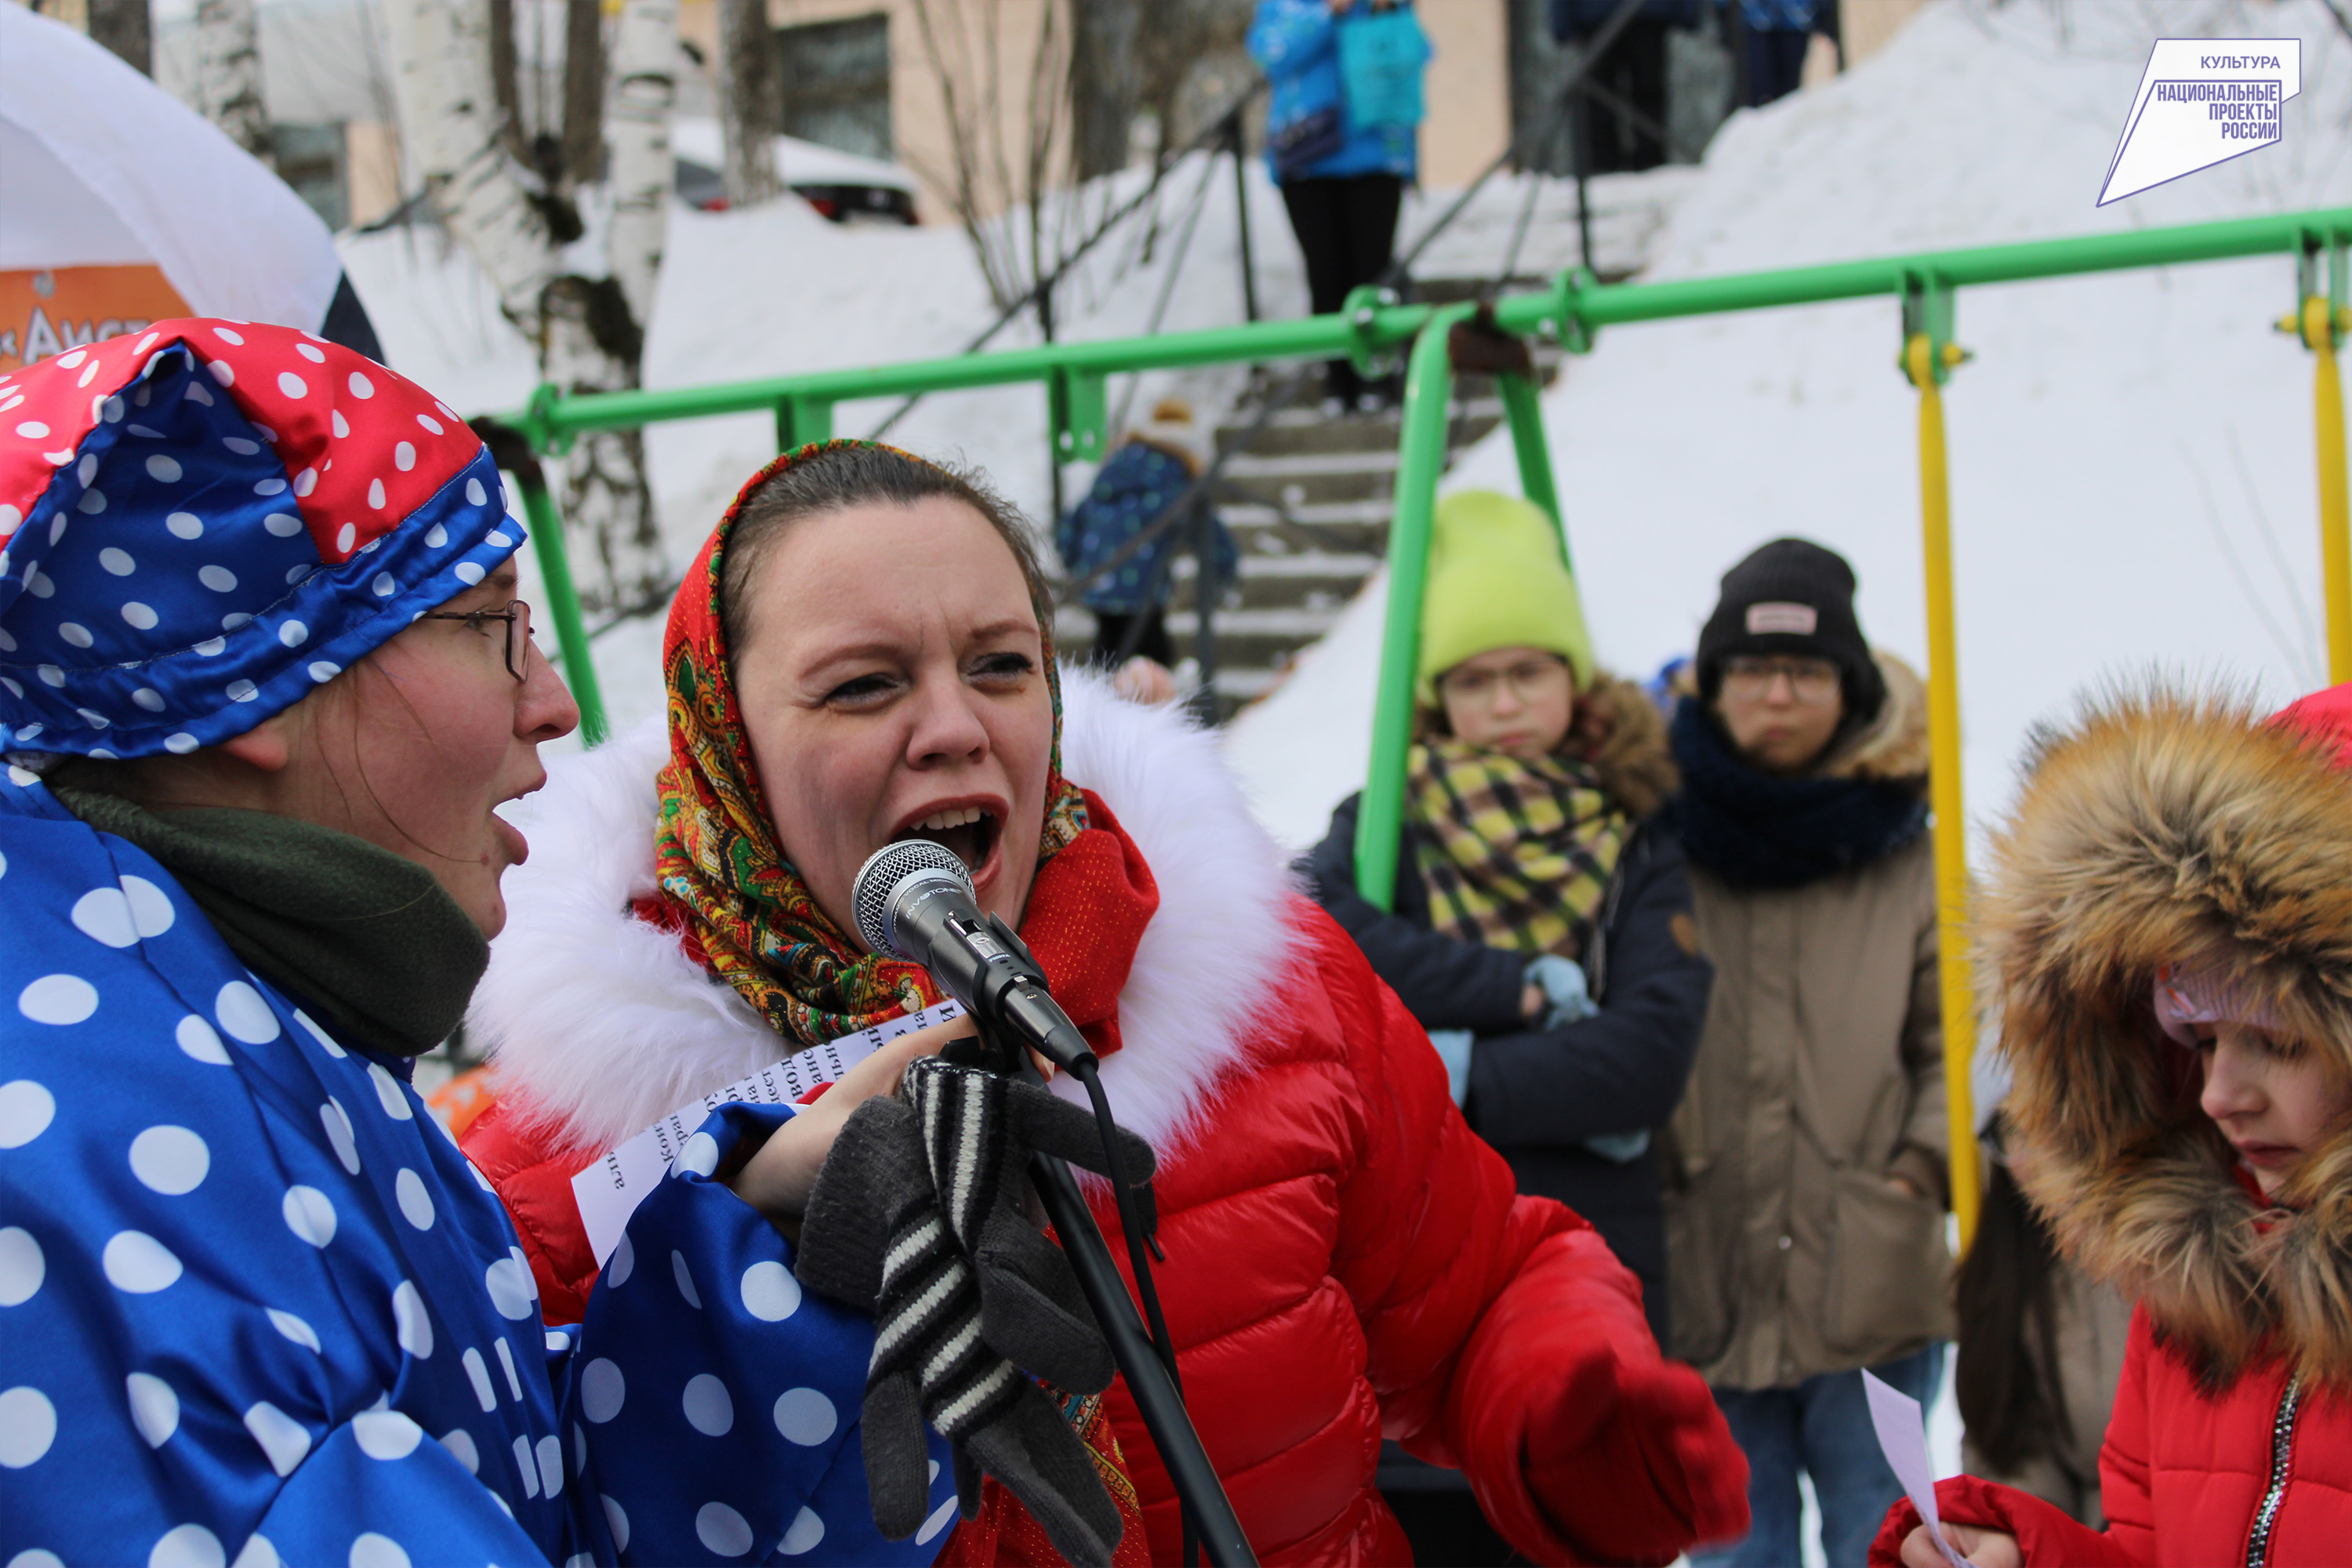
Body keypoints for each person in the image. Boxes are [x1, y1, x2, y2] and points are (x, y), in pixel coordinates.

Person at [462, 439, 1753, 1566]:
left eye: (1001, 666)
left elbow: (1477, 1286)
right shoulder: (576, 1146)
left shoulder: (1270, 990)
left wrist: (1568, 1401)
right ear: (723, 740)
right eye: (863, 684)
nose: (955, 727)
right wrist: (746, 1242)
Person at [0, 323, 963, 1564]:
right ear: (256, 683)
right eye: (487, 625)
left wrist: (774, 1257)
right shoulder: (113, 1169)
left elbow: (498, 1483)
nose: (553, 700)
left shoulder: (221, 1025)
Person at [1301, 489, 1713, 1565]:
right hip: (1420, 1246)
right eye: (1474, 681)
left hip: (1592, 1246)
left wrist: (1447, 1067)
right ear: (1437, 699)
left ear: (1574, 682)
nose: (1504, 704)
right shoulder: (1384, 825)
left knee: (1579, 1523)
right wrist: (1518, 993)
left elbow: (1642, 1061)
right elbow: (1329, 939)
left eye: (1528, 671)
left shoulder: (1637, 835)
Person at [1875, 683, 2352, 1568]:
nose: (2220, 1093)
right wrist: (2026, 1556)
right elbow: (2150, 1545)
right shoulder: (2198, 1285)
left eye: (2277, 1043)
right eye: (2200, 1041)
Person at [1657, 538, 1953, 1568]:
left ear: (1849, 687)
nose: (1777, 694)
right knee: (1740, 1552)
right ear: (1715, 681)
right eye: (1752, 670)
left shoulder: (1916, 850)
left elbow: (1956, 1043)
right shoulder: (1655, 839)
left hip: (1872, 1280)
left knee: (1892, 1538)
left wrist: (1918, 1174)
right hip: (1704, 1268)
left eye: (1807, 671)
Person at [1951, 1106, 2131, 1527]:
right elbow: (2011, 1447)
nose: (2036, 1151)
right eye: (2012, 1131)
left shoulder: (2185, 1255)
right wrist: (2022, 1539)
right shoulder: (2001, 1279)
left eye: (2053, 1119)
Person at [1249, 0, 1430, 413]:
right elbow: (1271, 55)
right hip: (1307, 155)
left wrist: (1386, 11)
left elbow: (1417, 53)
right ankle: (1337, 382)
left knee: (1373, 271)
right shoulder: (1288, 6)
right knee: (1324, 273)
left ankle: (1378, 379)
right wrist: (1329, 13)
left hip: (1376, 150)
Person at [1054, 397, 1235, 685]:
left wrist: (1074, 559)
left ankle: (1104, 705)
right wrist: (1225, 566)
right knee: (1154, 654)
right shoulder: (1175, 473)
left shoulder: (1118, 462)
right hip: (1142, 582)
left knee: (1109, 648)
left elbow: (1077, 516)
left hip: (1099, 574)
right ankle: (1147, 713)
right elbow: (1206, 529)